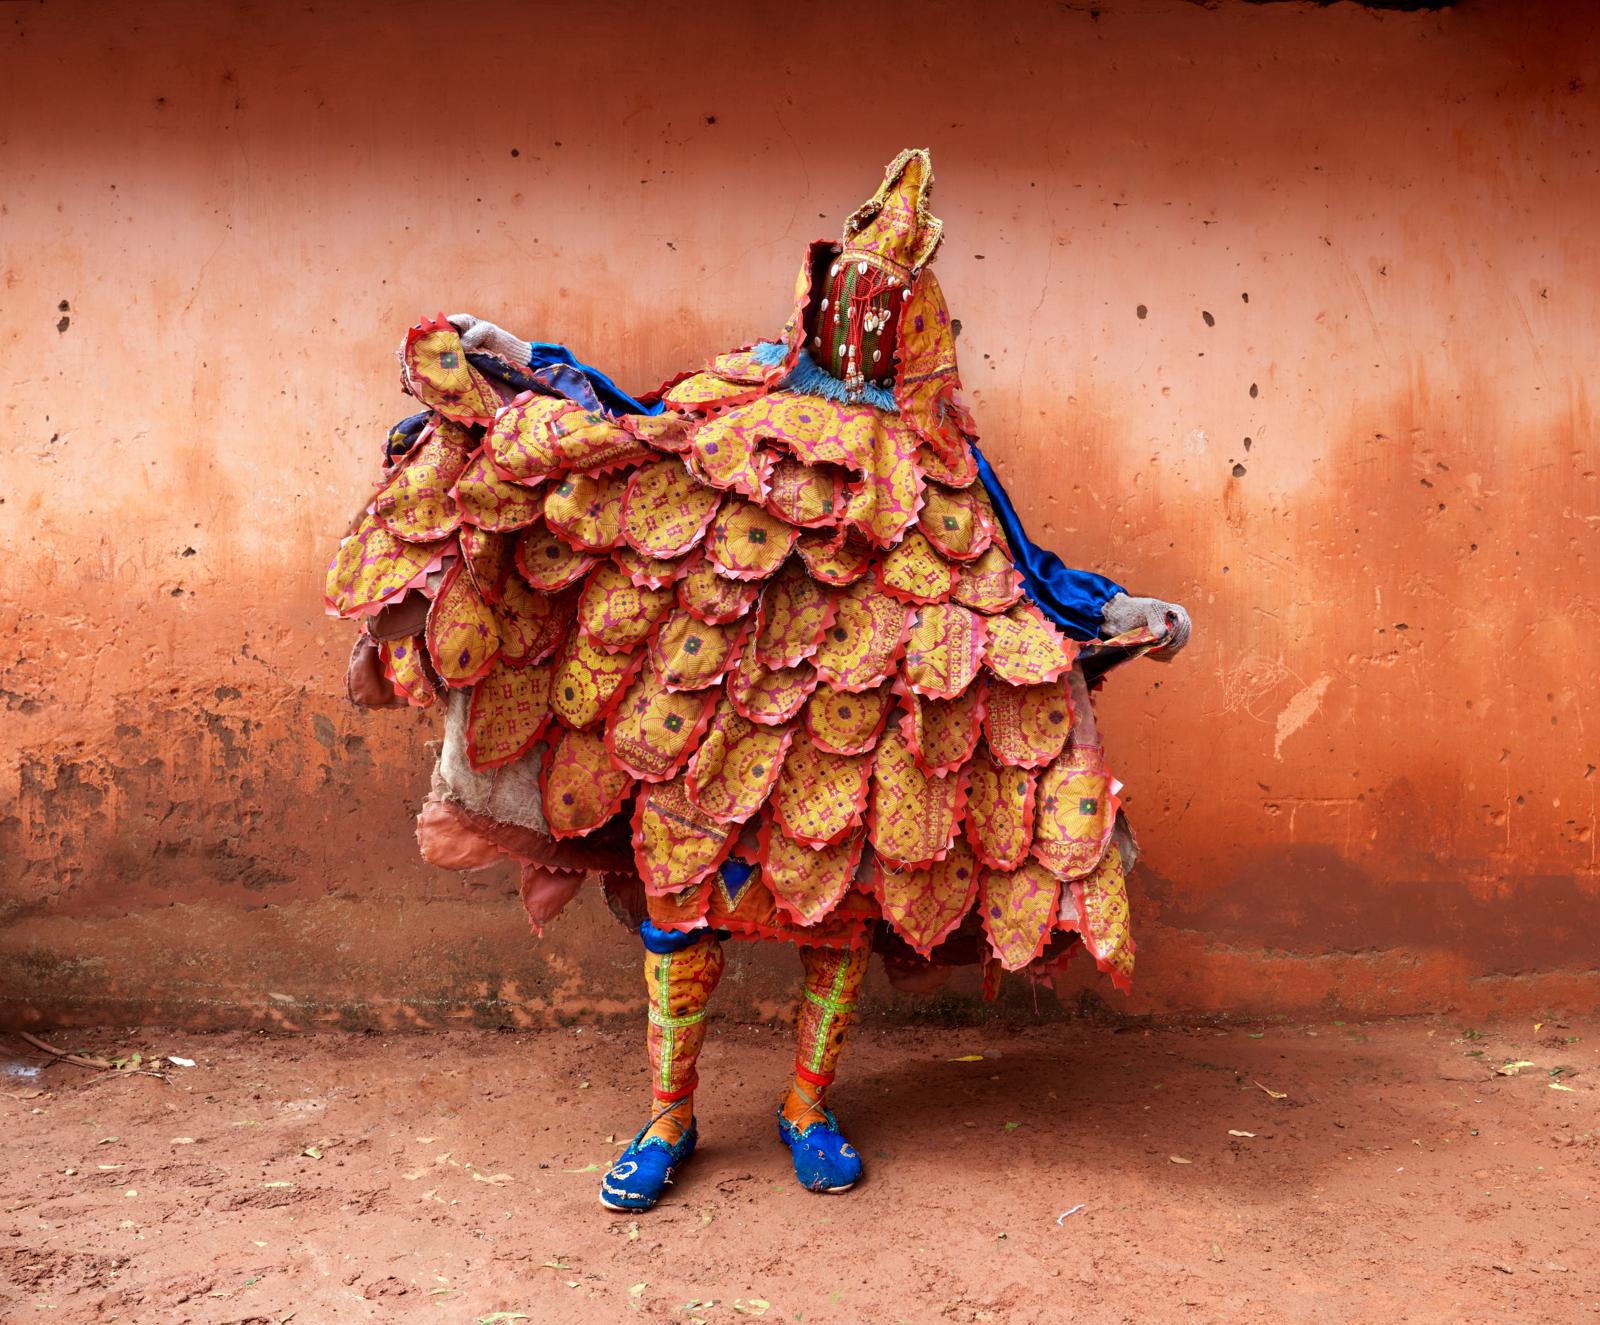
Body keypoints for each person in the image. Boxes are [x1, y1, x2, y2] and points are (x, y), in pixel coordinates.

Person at [325, 150, 1191, 1213]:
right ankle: (668, 1113)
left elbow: (1017, 562)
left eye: (898, 285)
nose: (872, 301)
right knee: (683, 909)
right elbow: (629, 431)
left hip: (846, 732)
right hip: (715, 712)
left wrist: (1115, 613)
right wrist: (526, 368)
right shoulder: (743, 395)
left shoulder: (933, 454)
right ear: (821, 286)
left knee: (835, 914)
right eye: (857, 273)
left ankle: (806, 1106)